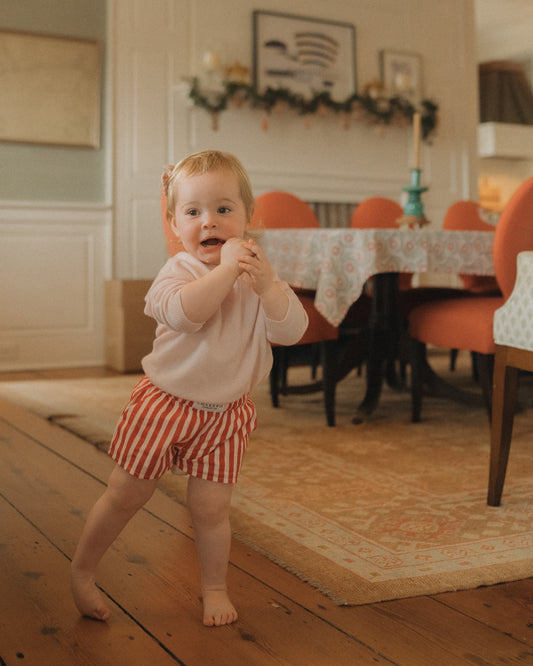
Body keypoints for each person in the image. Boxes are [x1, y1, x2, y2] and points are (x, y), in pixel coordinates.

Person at [71, 150, 308, 627]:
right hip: (165, 404)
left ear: (248, 217)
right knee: (126, 492)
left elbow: (292, 332)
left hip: (226, 414)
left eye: (224, 209)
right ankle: (82, 571)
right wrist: (225, 270)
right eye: (193, 212)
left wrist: (268, 288)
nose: (209, 222)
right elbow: (187, 313)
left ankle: (215, 587)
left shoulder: (259, 279)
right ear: (174, 223)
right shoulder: (177, 271)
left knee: (212, 509)